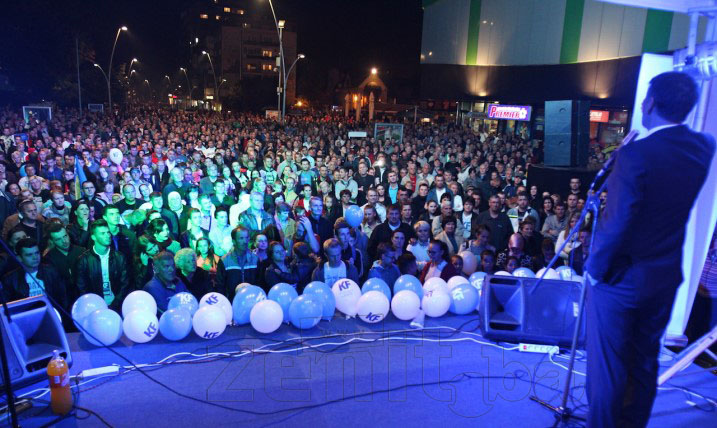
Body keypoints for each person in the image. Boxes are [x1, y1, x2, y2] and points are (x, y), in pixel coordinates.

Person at [585, 71, 715, 427]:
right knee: (643, 363)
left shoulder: (635, 154)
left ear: (651, 102)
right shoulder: (704, 147)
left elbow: (618, 223)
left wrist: (594, 271)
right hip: (664, 277)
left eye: (644, 99)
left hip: (622, 280)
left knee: (608, 369)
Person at [75, 219, 132, 311]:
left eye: (108, 232)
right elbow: (82, 288)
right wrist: (95, 306)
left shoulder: (119, 257)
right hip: (94, 307)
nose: (107, 236)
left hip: (117, 306)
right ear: (93, 237)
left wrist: (114, 305)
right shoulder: (84, 260)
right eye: (102, 233)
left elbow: (125, 284)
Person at [2, 238, 67, 311]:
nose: (35, 257)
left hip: (52, 313)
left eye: (37, 253)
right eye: (29, 255)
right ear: (19, 258)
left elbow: (63, 297)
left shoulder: (51, 271)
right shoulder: (10, 279)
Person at [43, 223, 85, 304]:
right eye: (58, 239)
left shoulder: (81, 251)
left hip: (83, 297)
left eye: (65, 236)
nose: (64, 241)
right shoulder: (49, 258)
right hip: (63, 301)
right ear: (52, 241)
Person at [217, 225, 259, 301]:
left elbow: (259, 284)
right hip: (231, 302)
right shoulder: (225, 260)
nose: (245, 241)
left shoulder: (255, 259)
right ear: (234, 241)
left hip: (252, 301)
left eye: (246, 238)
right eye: (241, 238)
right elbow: (220, 286)